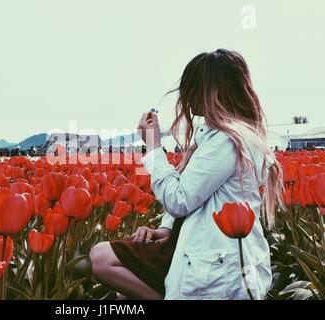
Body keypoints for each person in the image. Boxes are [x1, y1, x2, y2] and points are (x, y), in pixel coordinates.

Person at [89, 49, 284, 300]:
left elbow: (180, 199)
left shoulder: (228, 140)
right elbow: (193, 193)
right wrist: (167, 228)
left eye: (192, 87)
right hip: (194, 247)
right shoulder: (217, 135)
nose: (185, 97)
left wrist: (154, 147)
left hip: (214, 259)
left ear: (212, 91)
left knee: (104, 264)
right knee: (112, 276)